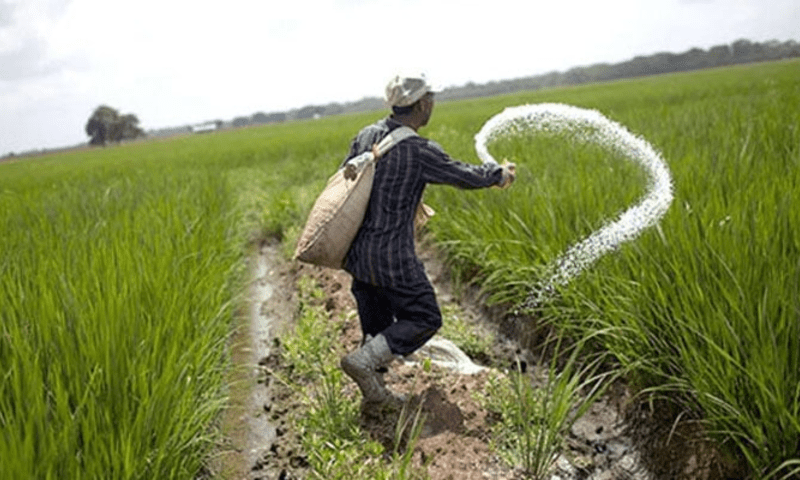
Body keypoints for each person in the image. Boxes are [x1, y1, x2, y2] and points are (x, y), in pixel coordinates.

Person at [339, 73, 516, 408]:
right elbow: (462, 175)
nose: (432, 103)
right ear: (421, 104)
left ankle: (374, 397)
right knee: (424, 317)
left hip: (359, 254)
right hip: (393, 256)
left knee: (377, 329)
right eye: (430, 98)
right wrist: (499, 174)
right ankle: (362, 364)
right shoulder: (417, 150)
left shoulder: (366, 136)